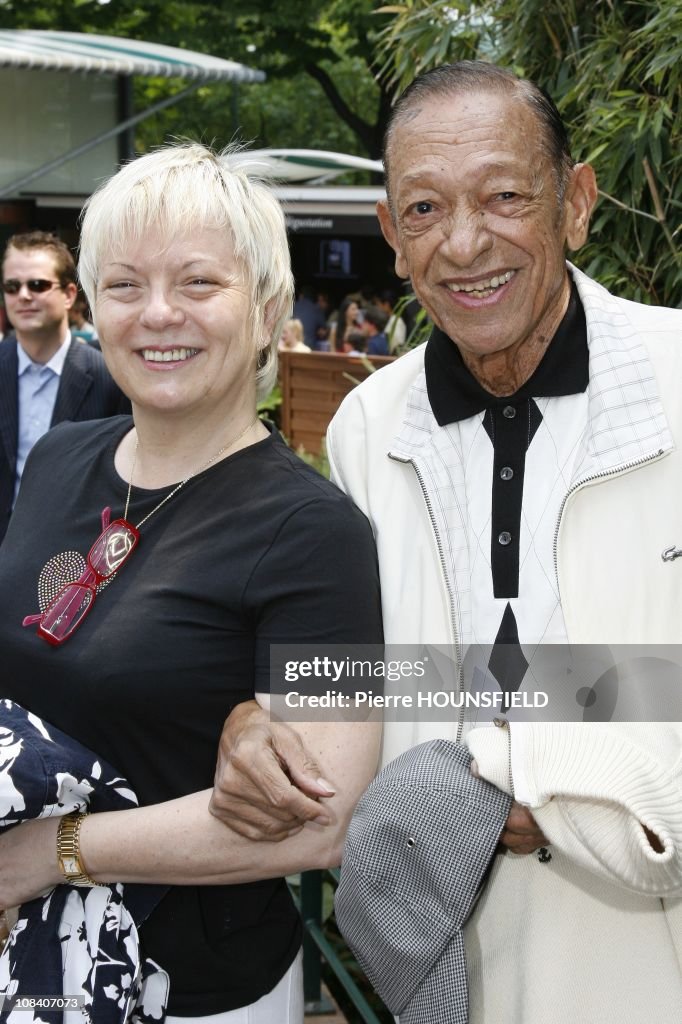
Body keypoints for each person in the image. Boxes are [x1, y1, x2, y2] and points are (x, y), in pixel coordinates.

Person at [208, 62, 682, 1023]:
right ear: (391, 235)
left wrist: (534, 772)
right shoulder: (368, 424)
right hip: (448, 946)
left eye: (505, 195)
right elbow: (410, 673)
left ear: (577, 203)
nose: (465, 244)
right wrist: (260, 722)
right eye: (424, 208)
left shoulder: (674, 378)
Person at [0, 143, 383, 1022]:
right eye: (126, 286)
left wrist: (41, 853)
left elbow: (322, 814)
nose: (158, 313)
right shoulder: (60, 458)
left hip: (192, 991)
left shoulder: (318, 533)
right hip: (27, 964)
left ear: (267, 312)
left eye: (200, 284)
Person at [0, 232, 128, 543]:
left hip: (74, 555)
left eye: (38, 285)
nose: (24, 296)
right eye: (12, 287)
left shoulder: (110, 377)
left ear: (69, 294)